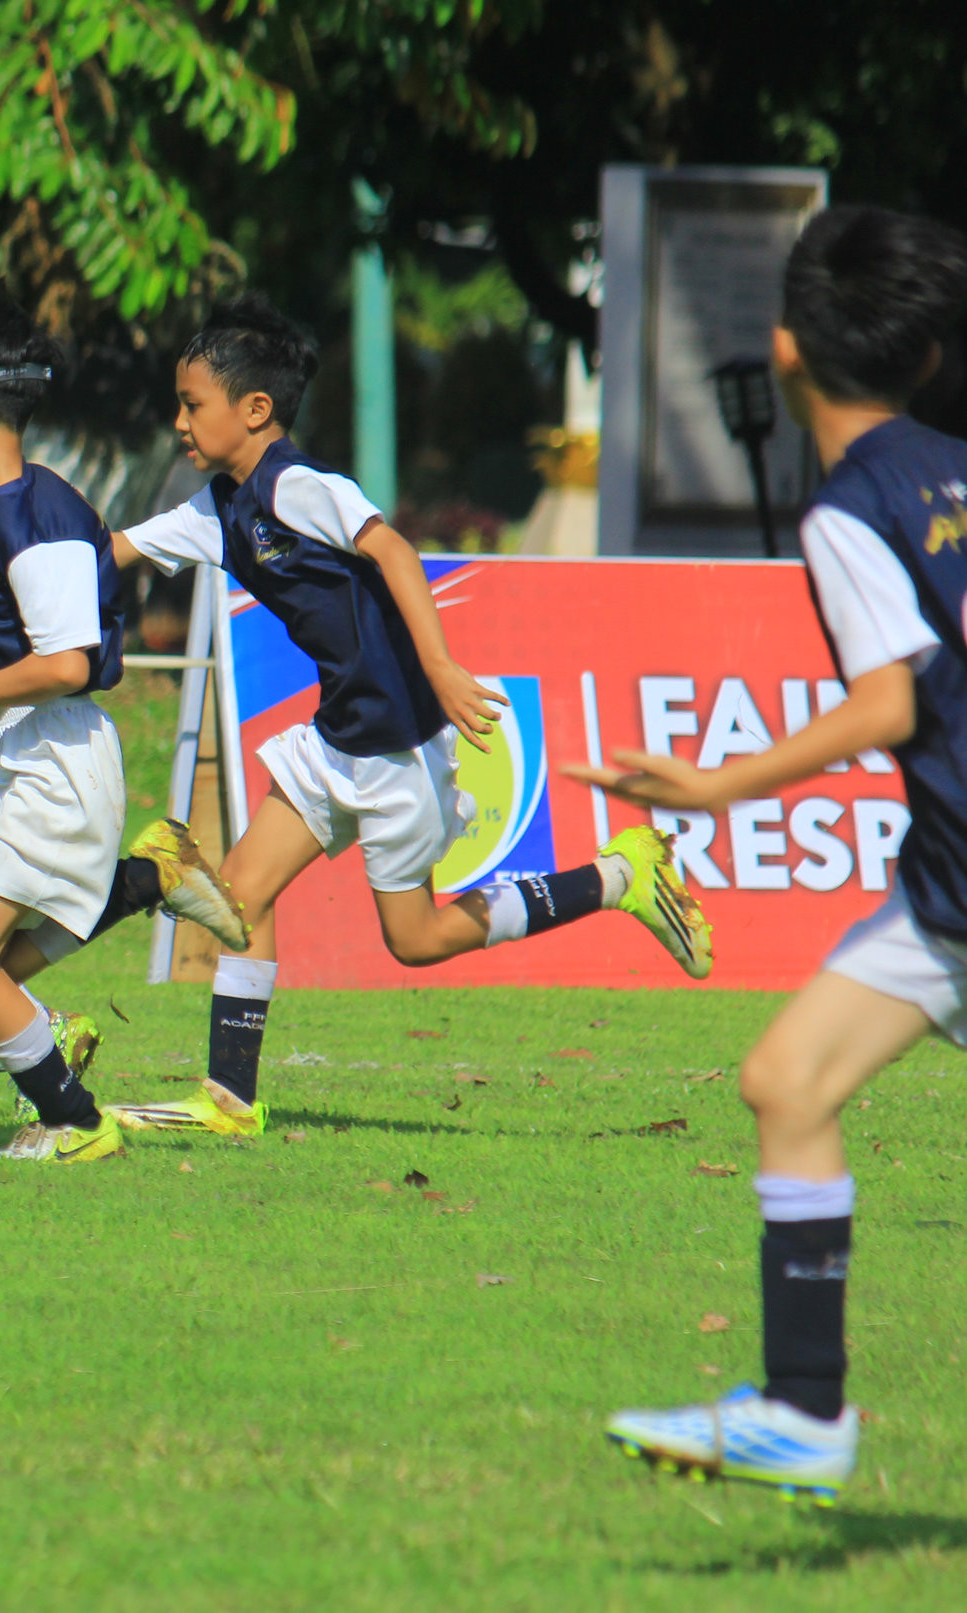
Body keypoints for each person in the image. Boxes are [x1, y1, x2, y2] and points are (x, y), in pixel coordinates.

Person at [567, 206, 967, 1505]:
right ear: (919, 361)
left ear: (783, 351)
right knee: (782, 1077)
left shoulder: (847, 509)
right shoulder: (953, 472)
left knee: (784, 1078)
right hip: (943, 889)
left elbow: (885, 702)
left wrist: (711, 784)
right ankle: (800, 1414)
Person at [107, 296, 712, 1139]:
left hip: (398, 752)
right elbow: (113, 552)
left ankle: (618, 877)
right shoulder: (218, 507)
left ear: (254, 410)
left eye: (191, 404)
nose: (177, 421)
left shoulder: (303, 486)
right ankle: (230, 1099)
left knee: (416, 939)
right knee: (236, 898)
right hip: (334, 741)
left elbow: (391, 549)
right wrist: (1, 531)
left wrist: (436, 664)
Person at [0, 287, 239, 1164]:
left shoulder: (32, 519)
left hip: (57, 757)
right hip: (40, 757)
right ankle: (152, 876)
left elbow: (71, 659)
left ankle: (76, 1126)